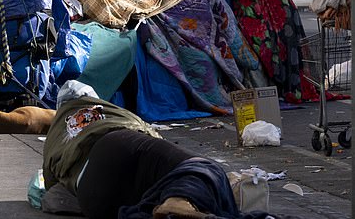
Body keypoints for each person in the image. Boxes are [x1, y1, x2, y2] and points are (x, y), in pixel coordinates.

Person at [43, 81, 290, 219]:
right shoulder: (109, 112)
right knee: (204, 168)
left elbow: (49, 188)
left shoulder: (55, 137)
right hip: (116, 146)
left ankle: (176, 206)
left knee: (153, 198)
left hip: (92, 198)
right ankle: (179, 202)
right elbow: (150, 136)